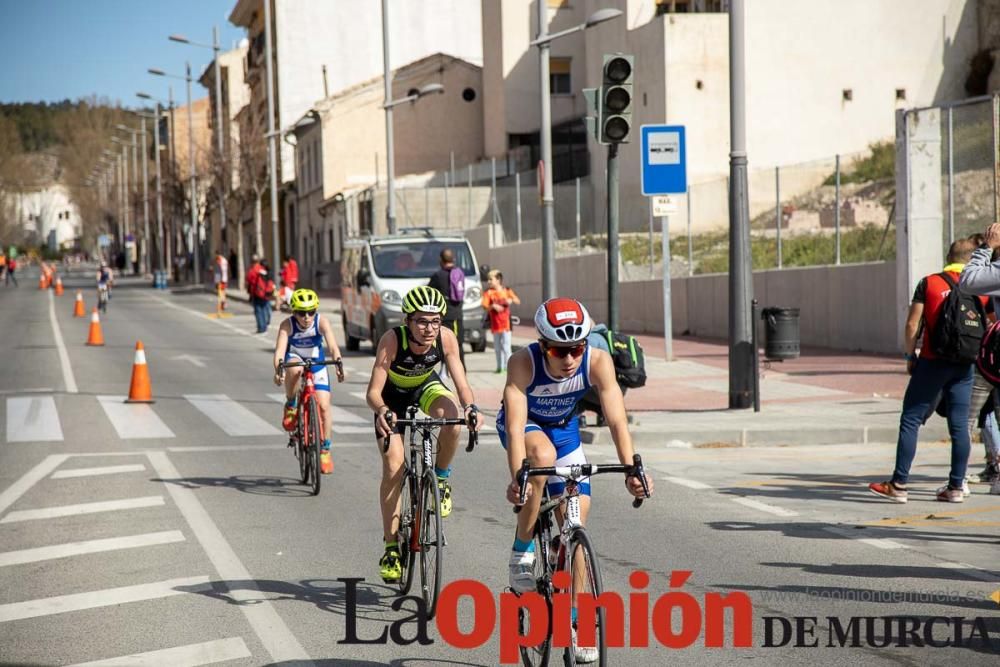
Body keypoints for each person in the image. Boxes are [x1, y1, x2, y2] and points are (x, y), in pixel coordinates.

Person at [499, 298, 652, 663]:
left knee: (576, 523)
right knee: (542, 459)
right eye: (558, 349)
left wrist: (632, 468)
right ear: (542, 344)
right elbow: (517, 426)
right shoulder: (523, 362)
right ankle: (523, 549)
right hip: (527, 429)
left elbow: (616, 420)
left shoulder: (597, 361)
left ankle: (578, 624)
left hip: (566, 431)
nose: (568, 359)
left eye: (575, 349)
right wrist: (519, 477)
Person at [366, 285, 481, 583]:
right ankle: (391, 548)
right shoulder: (392, 340)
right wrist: (382, 411)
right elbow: (373, 393)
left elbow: (460, 381)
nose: (429, 328)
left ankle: (441, 479)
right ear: (408, 321)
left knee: (453, 418)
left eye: (435, 321)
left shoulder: (446, 339)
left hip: (424, 387)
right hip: (391, 400)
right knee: (394, 467)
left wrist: (471, 407)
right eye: (421, 321)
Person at [869, 239, 986, 504]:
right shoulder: (980, 287)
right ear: (971, 259)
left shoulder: (930, 282)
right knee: (959, 426)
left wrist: (910, 355)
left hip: (933, 361)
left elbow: (912, 324)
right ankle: (956, 486)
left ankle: (899, 485)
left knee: (911, 418)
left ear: (948, 256)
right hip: (965, 364)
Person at [273, 288, 345, 475]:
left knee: (323, 406)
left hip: (316, 362)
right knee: (295, 369)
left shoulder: (322, 322)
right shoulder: (287, 325)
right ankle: (291, 403)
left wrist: (338, 364)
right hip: (295, 357)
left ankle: (325, 449)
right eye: (301, 312)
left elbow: (333, 346)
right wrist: (278, 370)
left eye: (311, 311)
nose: (306, 317)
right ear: (293, 312)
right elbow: (280, 352)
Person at [959, 223, 1000, 493]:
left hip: (993, 361)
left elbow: (968, 281)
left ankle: (956, 480)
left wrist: (987, 247)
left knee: (965, 417)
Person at [427, 249, 466, 370]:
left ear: (441, 260)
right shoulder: (459, 273)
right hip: (458, 313)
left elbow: (429, 293)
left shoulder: (438, 276)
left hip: (445, 314)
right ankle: (462, 368)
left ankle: (445, 369)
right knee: (458, 343)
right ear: (453, 259)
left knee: (444, 342)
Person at [481, 269, 520, 373]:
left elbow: (517, 300)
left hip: (506, 324)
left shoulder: (506, 290)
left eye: (491, 279)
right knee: (497, 348)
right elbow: (484, 306)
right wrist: (493, 306)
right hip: (495, 324)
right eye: (488, 279)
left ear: (498, 280)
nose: (488, 281)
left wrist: (510, 300)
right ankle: (500, 367)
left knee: (506, 347)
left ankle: (510, 368)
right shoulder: (488, 293)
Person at [249, 260, 274, 334]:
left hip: (257, 293)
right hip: (266, 293)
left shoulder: (255, 270)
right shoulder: (267, 269)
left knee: (259, 311)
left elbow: (249, 279)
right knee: (266, 308)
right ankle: (266, 324)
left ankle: (261, 327)